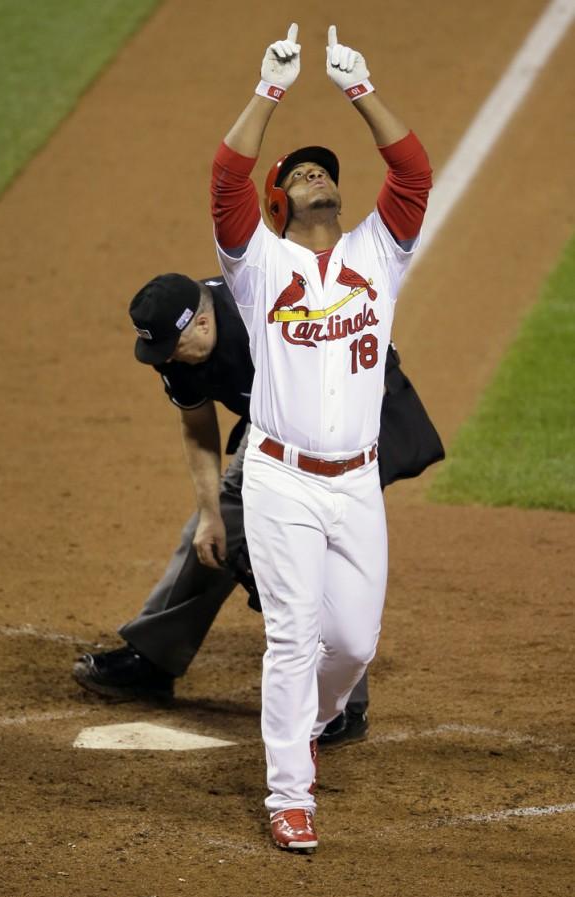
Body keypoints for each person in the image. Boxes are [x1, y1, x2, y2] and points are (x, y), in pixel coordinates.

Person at [210, 24, 432, 852]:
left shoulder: (380, 253)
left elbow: (411, 173)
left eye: (323, 171)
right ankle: (288, 795)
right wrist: (269, 88)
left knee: (353, 643)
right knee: (295, 632)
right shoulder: (257, 266)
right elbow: (226, 178)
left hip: (356, 484)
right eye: (299, 174)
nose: (316, 177)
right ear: (278, 203)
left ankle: (310, 721)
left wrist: (357, 86)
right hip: (281, 481)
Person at [73, 271, 371, 743]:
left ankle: (340, 704)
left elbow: (332, 403)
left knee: (310, 541)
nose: (166, 358)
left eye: (172, 346)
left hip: (348, 416)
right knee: (223, 527)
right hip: (274, 421)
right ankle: (155, 656)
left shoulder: (270, 323)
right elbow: (197, 427)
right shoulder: (176, 344)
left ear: (203, 325)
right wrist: (211, 515)